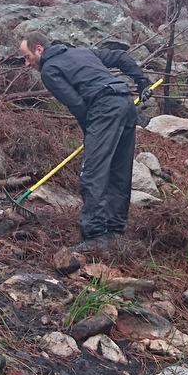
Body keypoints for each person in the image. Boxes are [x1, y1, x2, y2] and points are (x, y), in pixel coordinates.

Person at [19, 31, 150, 249]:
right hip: (125, 103)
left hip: (104, 108)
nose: (26, 63)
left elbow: (78, 106)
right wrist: (142, 81)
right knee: (119, 171)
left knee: (92, 173)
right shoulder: (82, 52)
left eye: (27, 57)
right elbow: (120, 56)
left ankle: (94, 237)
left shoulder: (49, 70)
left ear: (39, 49)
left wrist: (92, 134)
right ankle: (115, 232)